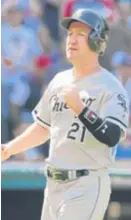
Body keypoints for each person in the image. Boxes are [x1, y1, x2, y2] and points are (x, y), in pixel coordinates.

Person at [1, 9, 130, 220]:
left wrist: (81, 109)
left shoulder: (110, 87)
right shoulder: (59, 80)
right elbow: (43, 127)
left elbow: (113, 135)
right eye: (70, 34)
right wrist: (9, 148)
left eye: (80, 33)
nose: (72, 39)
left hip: (85, 184)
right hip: (53, 185)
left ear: (97, 41)